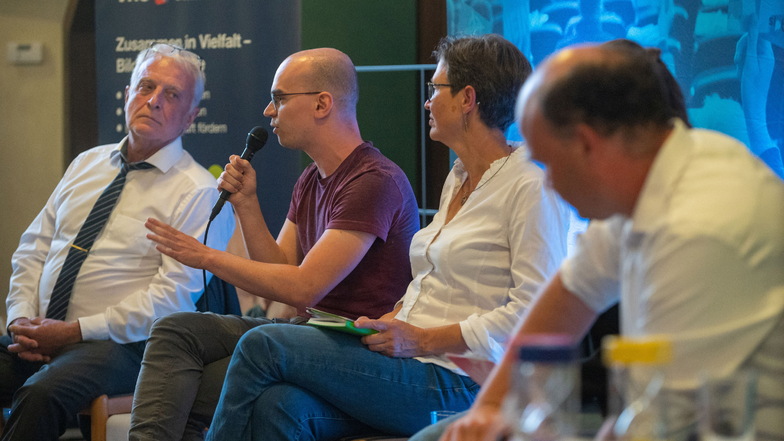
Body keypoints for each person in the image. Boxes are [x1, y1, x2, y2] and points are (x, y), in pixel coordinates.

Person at [202, 34, 573, 441]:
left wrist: (423, 338)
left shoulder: (529, 187)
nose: (428, 101)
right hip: (414, 362)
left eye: (436, 89)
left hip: (463, 380)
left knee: (263, 344)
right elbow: (436, 287)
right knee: (281, 406)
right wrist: (387, 322)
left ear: (468, 98)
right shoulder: (459, 178)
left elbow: (533, 316)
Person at [439, 41, 784, 441]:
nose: (546, 180)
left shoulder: (700, 231)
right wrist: (490, 409)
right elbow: (568, 295)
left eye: (547, 162)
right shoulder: (658, 173)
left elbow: (661, 426)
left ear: (587, 145)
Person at [127, 47, 420, 441]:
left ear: (322, 104)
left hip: (356, 350)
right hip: (307, 333)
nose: (269, 111)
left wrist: (206, 257)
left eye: (280, 98)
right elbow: (280, 266)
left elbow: (304, 286)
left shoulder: (373, 180)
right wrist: (247, 204)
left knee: (241, 374)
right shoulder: (311, 178)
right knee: (175, 332)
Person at [0, 43, 235, 440]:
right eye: (145, 87)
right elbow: (34, 247)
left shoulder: (199, 192)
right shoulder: (86, 163)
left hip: (124, 345)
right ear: (127, 96)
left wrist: (74, 330)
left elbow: (172, 299)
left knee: (40, 394)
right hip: (40, 333)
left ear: (191, 117)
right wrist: (21, 318)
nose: (154, 101)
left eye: (172, 94)